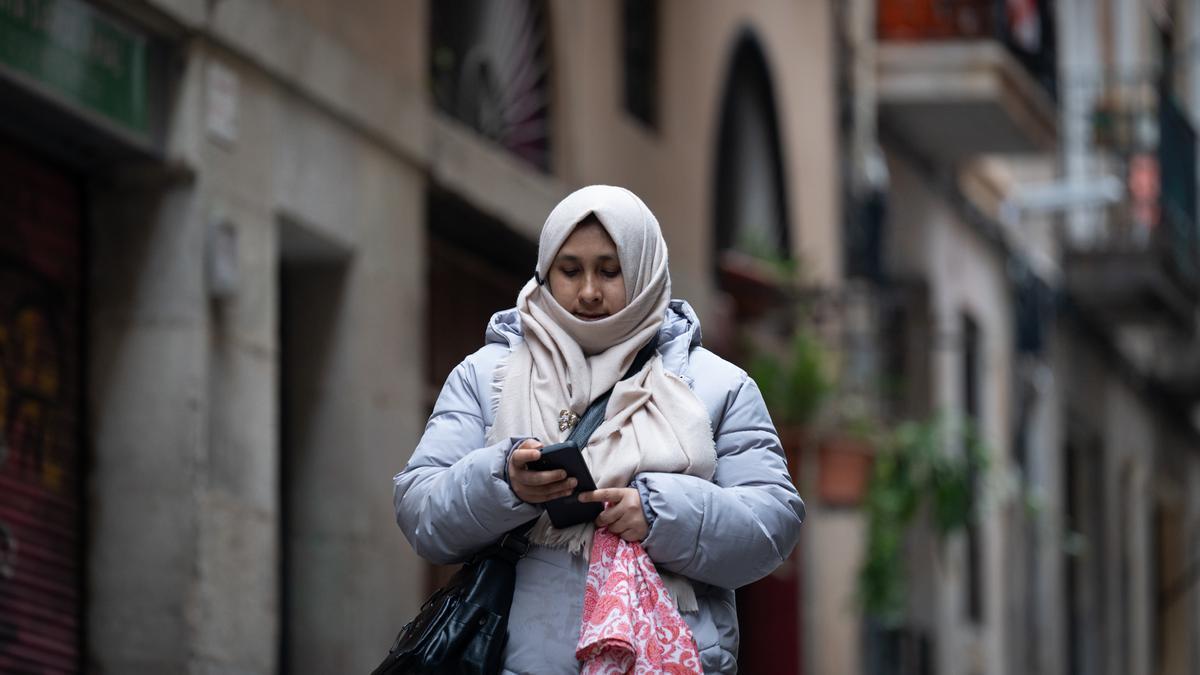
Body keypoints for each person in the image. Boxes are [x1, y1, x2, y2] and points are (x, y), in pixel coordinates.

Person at [393, 185, 804, 674]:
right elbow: (420, 510)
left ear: (645, 267)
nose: (589, 291)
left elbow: (772, 525)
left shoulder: (719, 386)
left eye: (610, 271)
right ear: (546, 272)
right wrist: (504, 482)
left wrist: (659, 514)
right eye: (569, 271)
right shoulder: (486, 376)